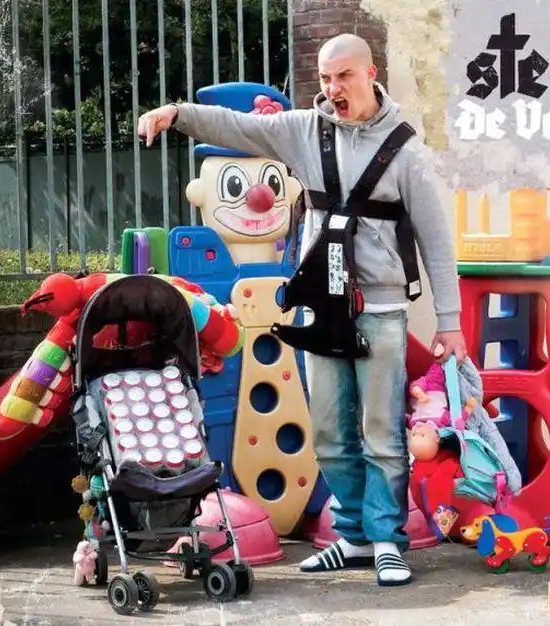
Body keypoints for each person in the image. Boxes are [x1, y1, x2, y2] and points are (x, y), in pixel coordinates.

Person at [138, 33, 466, 587]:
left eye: (345, 76)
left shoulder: (405, 149)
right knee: (330, 434)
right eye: (326, 78)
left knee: (382, 433)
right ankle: (355, 536)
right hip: (319, 307)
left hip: (381, 306)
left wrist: (450, 322)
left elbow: (436, 239)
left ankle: (387, 540)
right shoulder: (305, 130)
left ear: (371, 74)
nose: (333, 89)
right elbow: (239, 128)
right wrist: (177, 114)